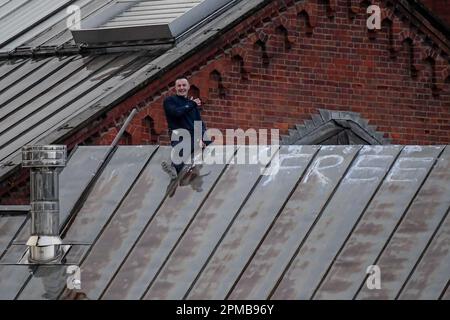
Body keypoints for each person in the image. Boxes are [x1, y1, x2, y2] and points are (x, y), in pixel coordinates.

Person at [161, 77, 208, 179]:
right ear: (175, 88)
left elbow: (199, 123)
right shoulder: (170, 101)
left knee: (208, 142)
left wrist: (203, 139)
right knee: (181, 150)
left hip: (193, 137)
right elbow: (177, 113)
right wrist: (192, 104)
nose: (181, 88)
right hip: (179, 137)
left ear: (188, 87)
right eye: (179, 86)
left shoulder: (192, 105)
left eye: (184, 85)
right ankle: (174, 170)